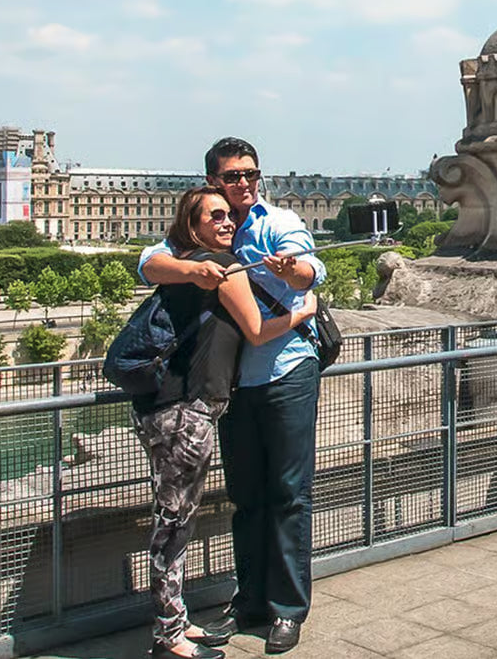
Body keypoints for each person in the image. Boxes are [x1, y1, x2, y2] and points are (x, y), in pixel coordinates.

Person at [141, 138, 325, 655]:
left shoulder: (277, 221)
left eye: (251, 174)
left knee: (289, 495)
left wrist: (294, 272)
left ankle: (287, 611)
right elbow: (150, 260)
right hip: (234, 384)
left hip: (287, 370)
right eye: (232, 176)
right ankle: (250, 602)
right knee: (246, 498)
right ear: (212, 181)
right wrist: (194, 268)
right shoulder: (208, 224)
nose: (244, 184)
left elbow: (313, 269)